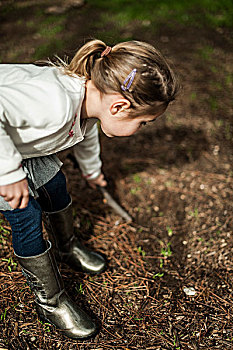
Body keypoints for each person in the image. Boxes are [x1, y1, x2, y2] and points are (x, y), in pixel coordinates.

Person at [0, 39, 179, 339]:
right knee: (25, 214)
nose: (141, 129)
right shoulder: (53, 102)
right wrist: (8, 173)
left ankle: (66, 246)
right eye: (144, 123)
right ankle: (51, 301)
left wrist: (92, 170)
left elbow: (84, 135)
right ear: (119, 106)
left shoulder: (87, 101)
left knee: (55, 185)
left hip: (19, 147)